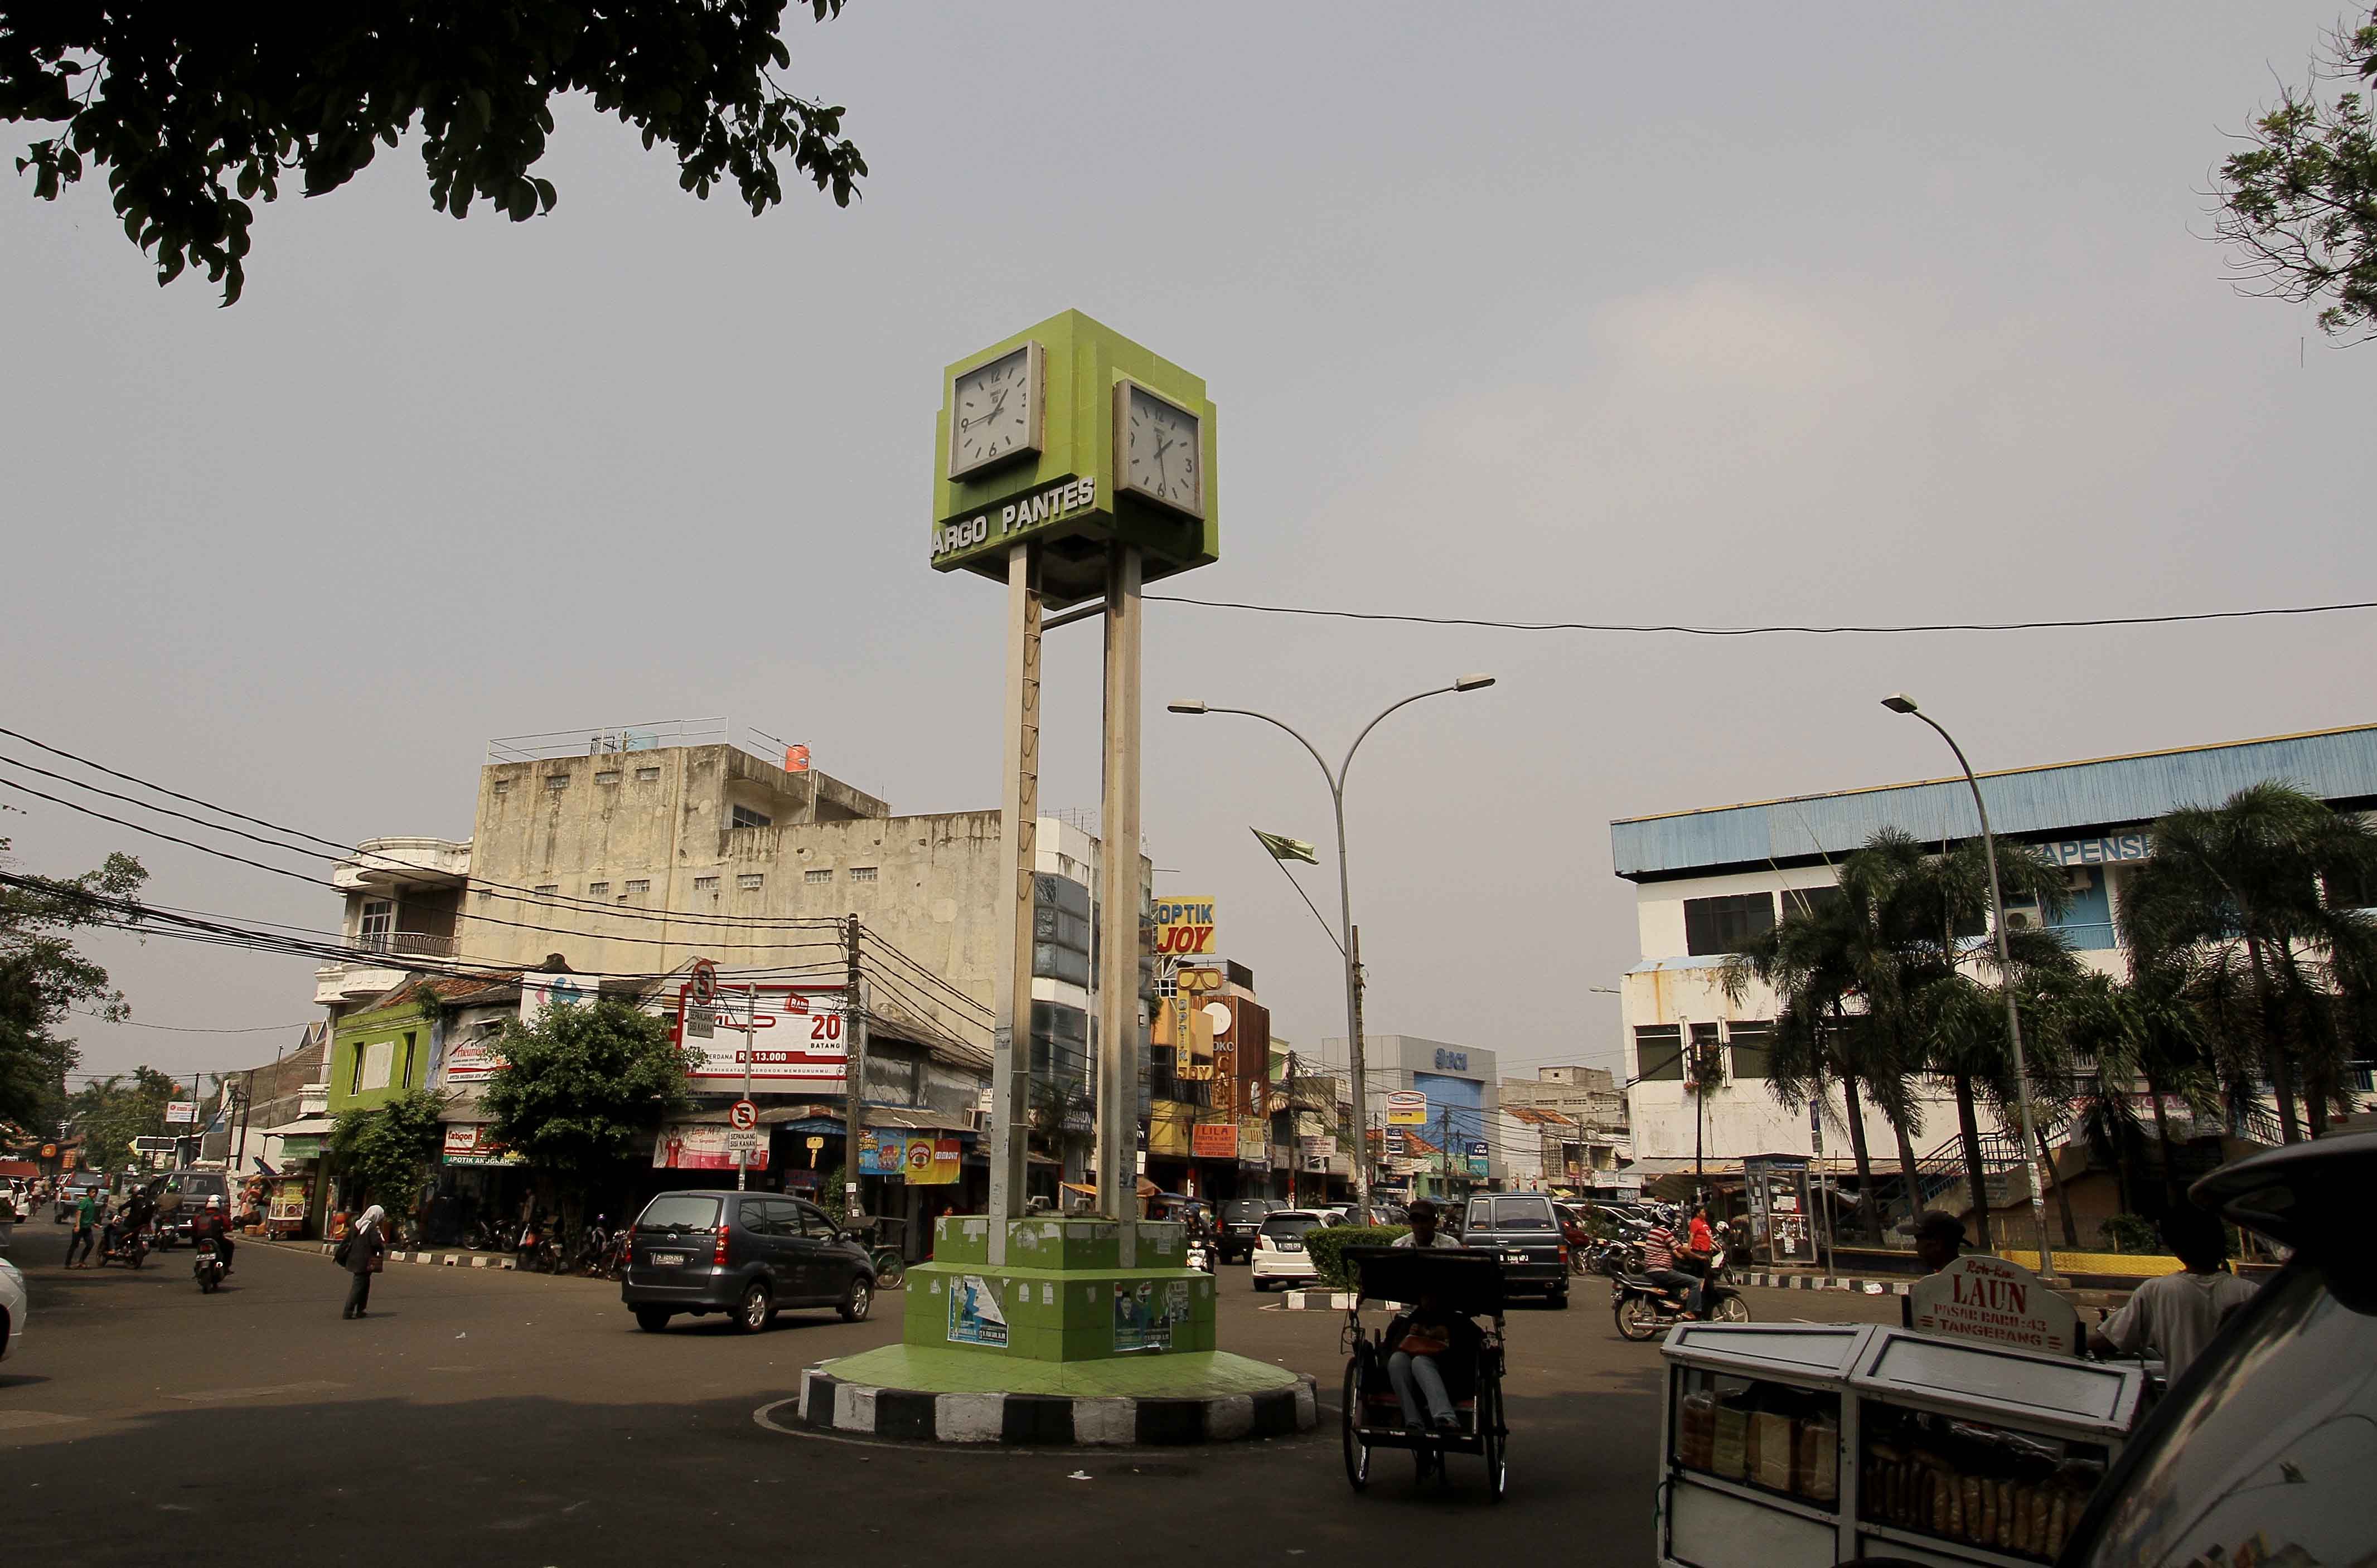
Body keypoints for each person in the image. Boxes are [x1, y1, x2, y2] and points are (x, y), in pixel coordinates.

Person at [2088, 1203, 2259, 1383]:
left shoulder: (2156, 1291)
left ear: (2173, 1246)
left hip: (2187, 1406)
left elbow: (2111, 1340)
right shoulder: (2252, 1292)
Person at [1382, 1287, 1483, 1436]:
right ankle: (1413, 1421)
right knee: (1397, 1360)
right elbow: (1396, 1347)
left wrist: (1444, 1337)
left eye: (1432, 1296)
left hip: (1452, 1378)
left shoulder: (1457, 1320)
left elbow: (1469, 1350)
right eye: (1425, 1296)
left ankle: (1446, 1418)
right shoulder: (1413, 1320)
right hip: (1416, 1382)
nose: (1428, 1301)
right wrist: (1411, 1336)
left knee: (1420, 1362)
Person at [1901, 1211, 1969, 1328]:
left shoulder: (1962, 1287)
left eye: (1919, 1241)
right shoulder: (1966, 1278)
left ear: (1937, 1244)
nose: (1916, 1248)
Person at [1642, 1212, 1705, 1317]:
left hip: (1651, 1270)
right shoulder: (1664, 1232)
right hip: (1661, 1271)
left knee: (1678, 1276)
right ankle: (1690, 1312)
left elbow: (1666, 1250)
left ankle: (1676, 1306)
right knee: (1695, 1282)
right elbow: (1680, 1249)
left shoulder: (1653, 1232)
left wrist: (1680, 1256)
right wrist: (1699, 1257)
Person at [341, 1203, 388, 1319]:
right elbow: (376, 1243)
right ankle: (348, 1311)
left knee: (364, 1285)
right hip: (365, 1261)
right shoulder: (372, 1228)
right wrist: (381, 1246)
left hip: (354, 1259)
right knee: (358, 1286)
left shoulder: (357, 1224)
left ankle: (361, 1310)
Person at [1393, 1197, 1460, 1249]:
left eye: (1424, 1221)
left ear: (1434, 1222)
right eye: (1415, 1221)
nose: (1419, 1226)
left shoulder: (1451, 1245)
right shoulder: (1399, 1246)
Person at [191, 1197, 234, 1275]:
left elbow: (193, 1228)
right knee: (230, 1245)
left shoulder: (199, 1216)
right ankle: (226, 1267)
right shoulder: (221, 1217)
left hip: (200, 1240)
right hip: (217, 1240)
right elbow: (228, 1227)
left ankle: (197, 1266)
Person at [68, 1187, 98, 1266]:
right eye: (93, 1192)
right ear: (88, 1193)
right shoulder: (85, 1201)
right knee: (74, 1246)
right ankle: (68, 1263)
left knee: (90, 1244)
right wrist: (77, 1225)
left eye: (95, 1192)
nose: (94, 1194)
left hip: (87, 1228)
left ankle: (81, 1261)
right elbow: (79, 1213)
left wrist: (94, 1224)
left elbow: (89, 1216)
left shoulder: (92, 1202)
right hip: (80, 1227)